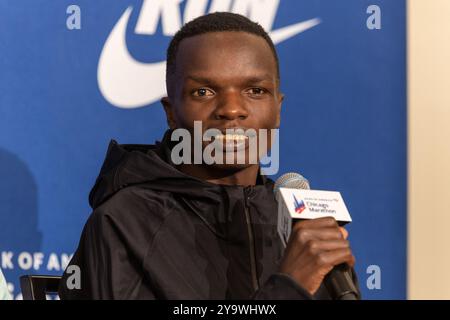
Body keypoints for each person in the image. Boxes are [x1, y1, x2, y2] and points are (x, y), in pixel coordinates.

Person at [59, 12, 359, 299]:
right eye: (203, 92)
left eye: (255, 90)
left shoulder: (301, 227)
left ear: (277, 109)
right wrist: (290, 286)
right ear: (171, 113)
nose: (231, 109)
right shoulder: (124, 222)